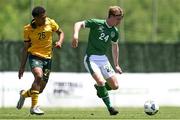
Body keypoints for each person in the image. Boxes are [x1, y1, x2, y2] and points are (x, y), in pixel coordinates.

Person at [71, 6, 123, 115]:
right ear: (111, 16)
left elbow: (115, 46)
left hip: (103, 59)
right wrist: (76, 35)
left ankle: (100, 89)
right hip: (91, 58)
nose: (120, 21)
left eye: (121, 18)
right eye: (118, 18)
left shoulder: (114, 31)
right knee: (100, 81)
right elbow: (78, 24)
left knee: (115, 86)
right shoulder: (97, 23)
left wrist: (117, 64)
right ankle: (110, 108)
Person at [17, 6, 64, 115]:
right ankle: (34, 107)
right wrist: (22, 67)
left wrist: (59, 42)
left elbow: (60, 33)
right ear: (36, 18)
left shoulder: (50, 23)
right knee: (38, 76)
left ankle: (24, 94)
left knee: (40, 89)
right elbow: (25, 48)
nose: (45, 19)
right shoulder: (28, 29)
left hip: (48, 58)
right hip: (35, 56)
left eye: (45, 16)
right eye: (42, 18)